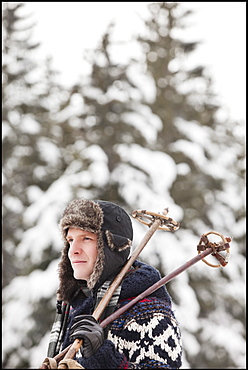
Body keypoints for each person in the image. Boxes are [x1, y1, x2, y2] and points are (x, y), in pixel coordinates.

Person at [47, 198, 182, 369]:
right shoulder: (74, 305)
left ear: (111, 246)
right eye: (71, 240)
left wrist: (102, 357)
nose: (73, 250)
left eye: (86, 238)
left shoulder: (149, 312)